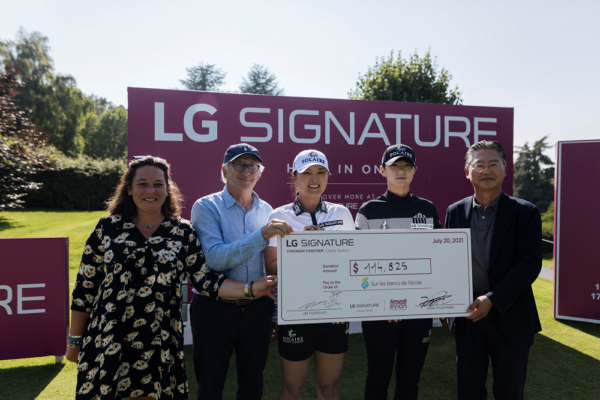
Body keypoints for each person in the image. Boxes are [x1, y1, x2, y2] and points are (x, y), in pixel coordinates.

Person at [66, 155, 278, 400]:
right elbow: (85, 289)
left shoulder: (182, 232)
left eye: (158, 184)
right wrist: (74, 340)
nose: (150, 190)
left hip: (160, 342)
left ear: (167, 189)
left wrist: (252, 289)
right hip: (110, 338)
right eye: (142, 183)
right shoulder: (108, 228)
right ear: (129, 188)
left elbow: (206, 281)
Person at [190, 143, 293, 400]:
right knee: (210, 387)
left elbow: (273, 263)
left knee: (252, 387)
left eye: (252, 166)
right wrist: (262, 234)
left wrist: (273, 315)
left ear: (260, 173)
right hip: (214, 309)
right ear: (224, 170)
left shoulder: (268, 211)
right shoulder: (206, 207)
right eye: (238, 165)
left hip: (257, 310)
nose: (246, 171)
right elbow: (215, 259)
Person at [445, 140, 542, 400]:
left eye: (493, 164)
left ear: (505, 169)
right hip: (468, 317)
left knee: (509, 393)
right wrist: (443, 303)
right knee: (469, 391)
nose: (486, 170)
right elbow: (447, 261)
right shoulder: (454, 212)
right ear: (467, 171)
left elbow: (529, 264)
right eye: (479, 165)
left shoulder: (525, 213)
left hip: (511, 317)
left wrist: (492, 298)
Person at [264, 149, 354, 400]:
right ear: (294, 177)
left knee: (328, 388)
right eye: (307, 173)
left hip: (335, 314)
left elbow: (351, 263)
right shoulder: (278, 215)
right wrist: (302, 246)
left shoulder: (342, 214)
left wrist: (344, 305)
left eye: (320, 172)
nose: (314, 178)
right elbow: (271, 267)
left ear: (327, 176)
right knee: (292, 389)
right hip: (295, 313)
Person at [354, 144, 442, 400]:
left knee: (409, 382)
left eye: (406, 166)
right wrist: (385, 301)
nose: (401, 171)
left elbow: (436, 260)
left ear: (415, 170)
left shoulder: (428, 209)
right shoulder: (368, 210)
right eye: (394, 166)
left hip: (418, 310)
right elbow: (360, 265)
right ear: (383, 170)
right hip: (380, 313)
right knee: (377, 381)